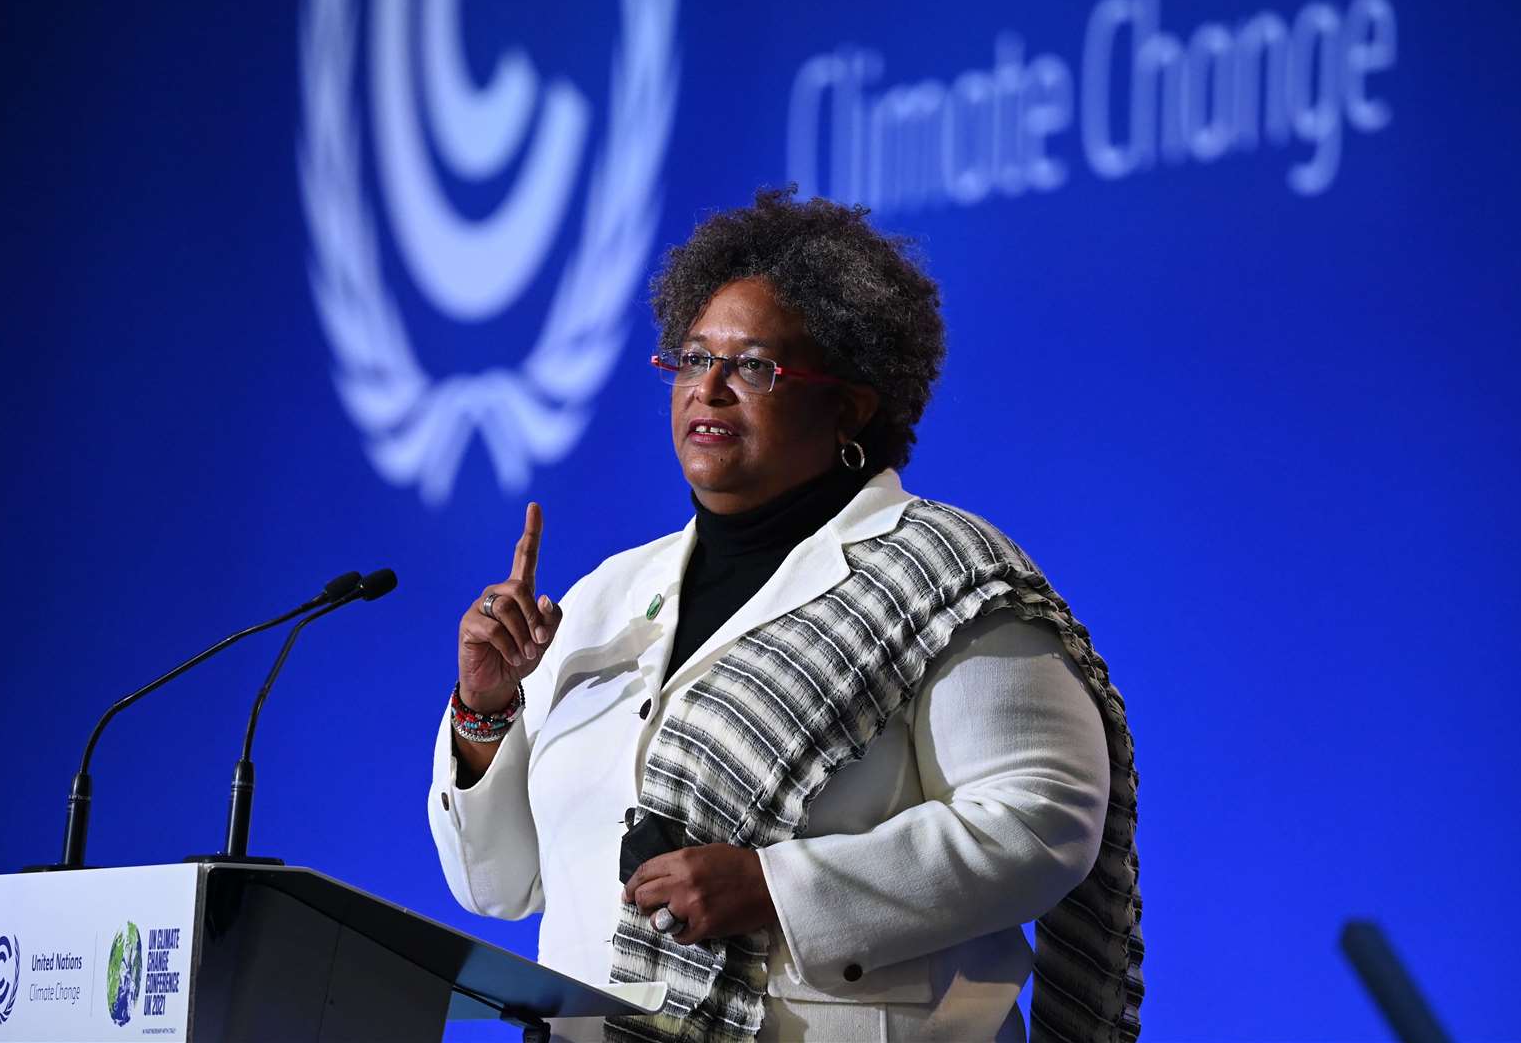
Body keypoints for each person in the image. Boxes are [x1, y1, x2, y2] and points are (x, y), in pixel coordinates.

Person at [429, 188, 1143, 1042]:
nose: (711, 390)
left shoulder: (944, 573)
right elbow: (501, 886)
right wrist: (485, 713)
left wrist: (779, 887)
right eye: (692, 360)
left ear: (851, 404)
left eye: (754, 367)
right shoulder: (605, 597)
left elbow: (1041, 820)